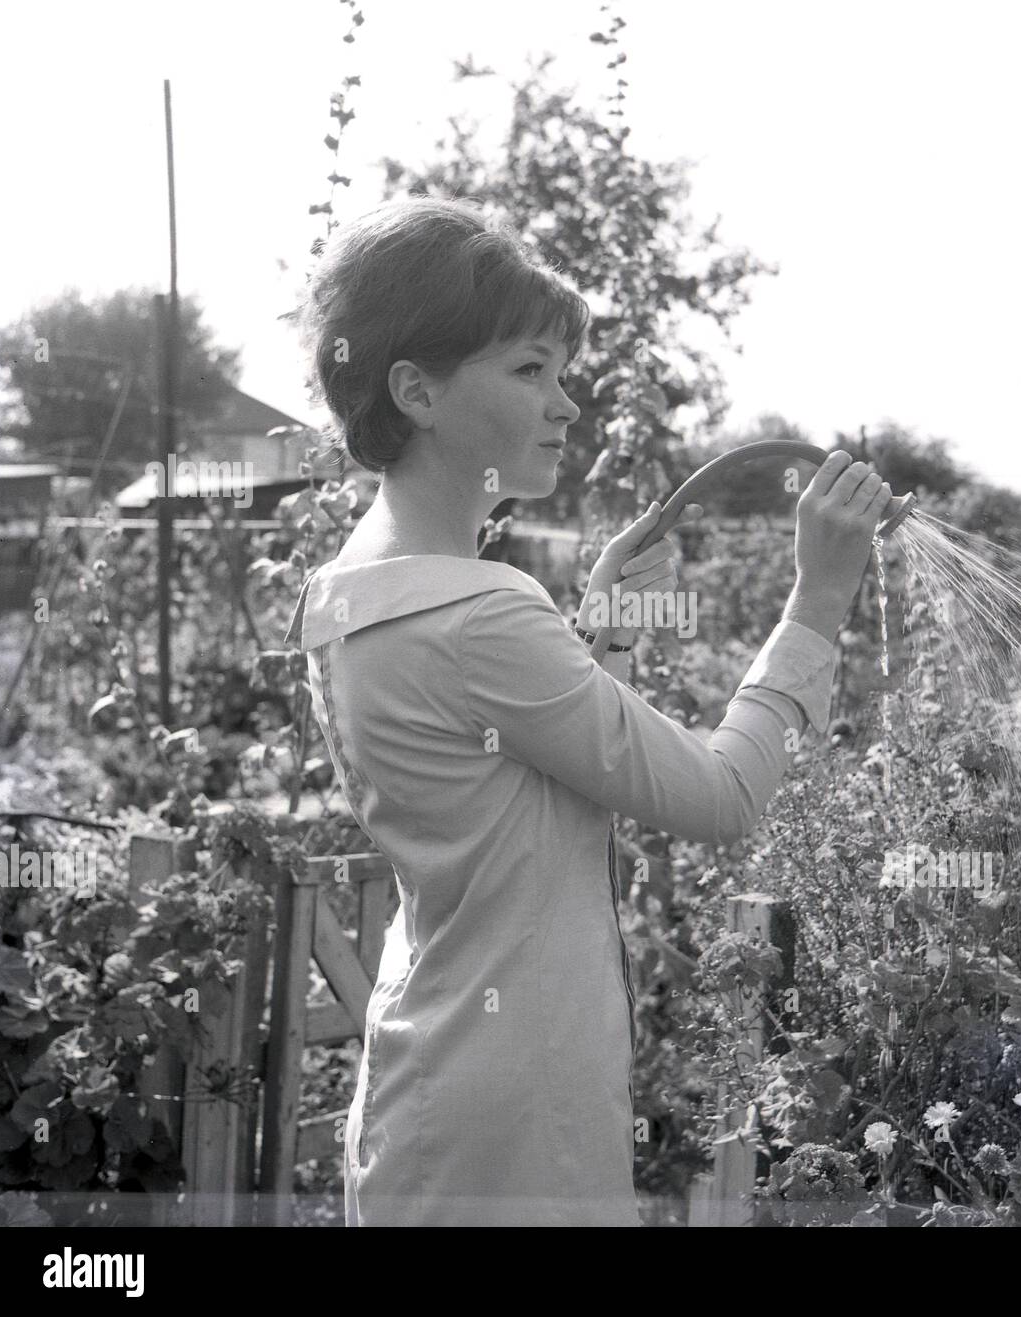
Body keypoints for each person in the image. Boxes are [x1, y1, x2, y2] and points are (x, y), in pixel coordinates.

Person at [284, 195, 892, 1226]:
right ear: (416, 391)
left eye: (559, 372)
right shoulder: (481, 612)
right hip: (516, 1112)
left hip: (433, 1078)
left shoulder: (349, 592)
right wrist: (819, 600)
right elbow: (721, 795)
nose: (566, 405)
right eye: (529, 371)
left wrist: (596, 636)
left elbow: (498, 776)